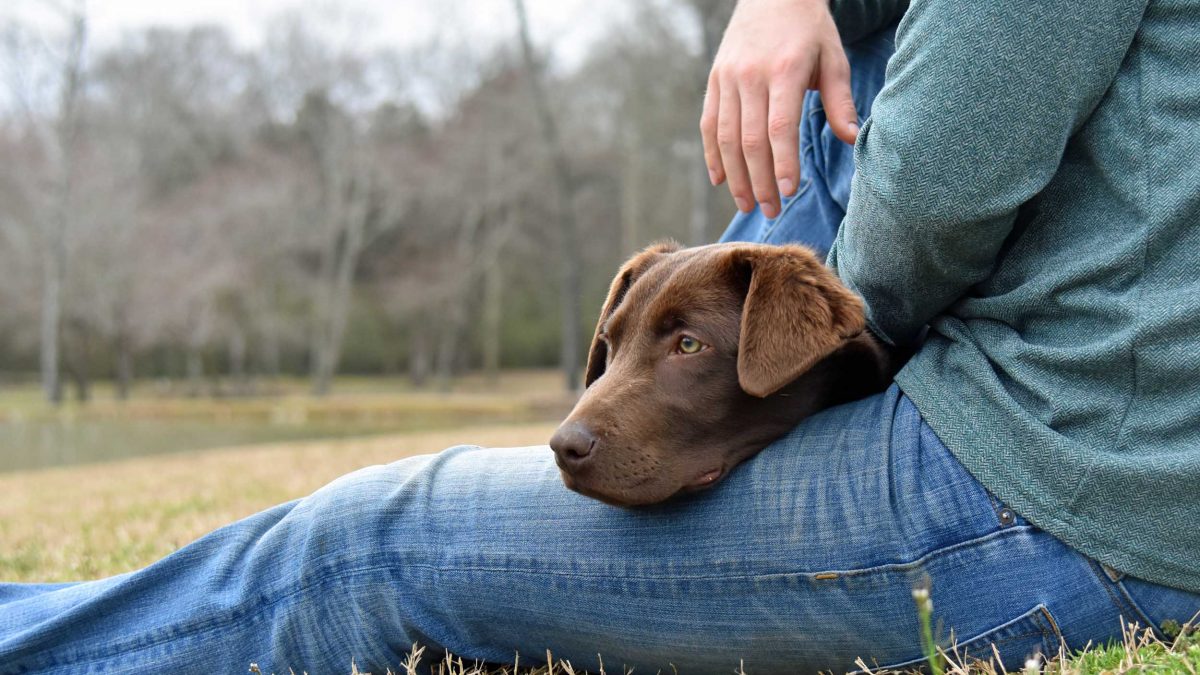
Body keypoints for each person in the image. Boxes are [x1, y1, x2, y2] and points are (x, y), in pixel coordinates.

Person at [3, 0, 1199, 672]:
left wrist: (798, 342)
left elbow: (933, 193)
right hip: (1092, 472)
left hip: (1056, 500)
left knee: (369, 544)